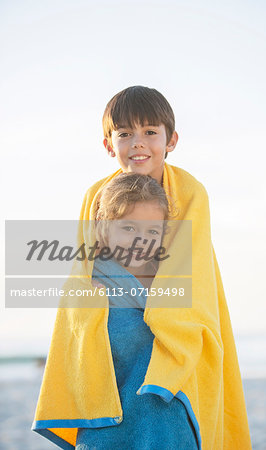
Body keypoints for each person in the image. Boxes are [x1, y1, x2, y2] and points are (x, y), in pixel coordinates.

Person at [32, 86, 252, 449]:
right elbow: (84, 264)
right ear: (108, 144)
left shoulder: (188, 191)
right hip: (113, 321)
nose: (138, 143)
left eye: (150, 132)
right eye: (125, 134)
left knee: (166, 411)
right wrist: (90, 304)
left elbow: (186, 261)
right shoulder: (96, 194)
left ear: (171, 140)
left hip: (164, 314)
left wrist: (161, 313)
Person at [74, 172, 198, 449]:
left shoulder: (170, 280)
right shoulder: (92, 281)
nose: (141, 240)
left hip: (167, 416)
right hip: (109, 421)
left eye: (152, 231)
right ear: (104, 229)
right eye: (128, 228)